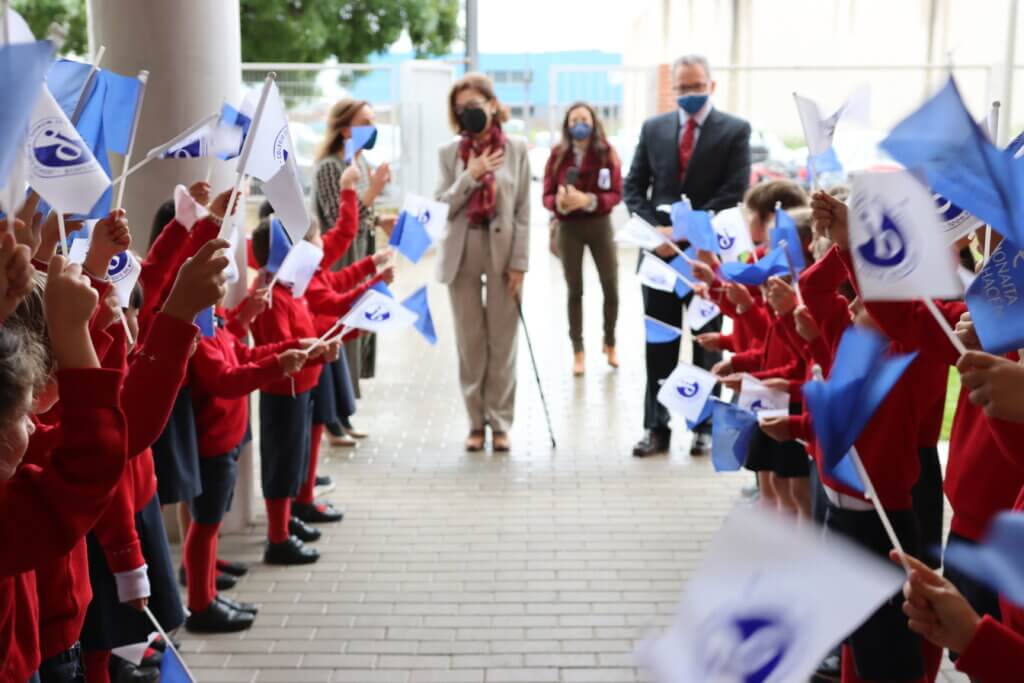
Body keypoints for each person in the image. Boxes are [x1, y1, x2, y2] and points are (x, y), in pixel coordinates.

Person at [624, 53, 751, 458]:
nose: (690, 94)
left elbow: (734, 190)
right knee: (658, 344)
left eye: (697, 86)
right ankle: (656, 428)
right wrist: (654, 232)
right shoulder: (654, 128)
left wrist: (686, 230)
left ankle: (704, 426)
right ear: (673, 89)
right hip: (660, 260)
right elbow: (634, 187)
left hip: (706, 261)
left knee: (707, 344)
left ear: (711, 85)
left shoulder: (734, 130)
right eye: (683, 88)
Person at [435, 72, 531, 453]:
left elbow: (523, 210)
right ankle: (476, 423)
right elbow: (439, 207)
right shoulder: (449, 153)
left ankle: (501, 421)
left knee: (503, 341)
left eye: (474, 105)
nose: (468, 114)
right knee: (471, 343)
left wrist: (519, 263)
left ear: (493, 105)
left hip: (504, 253)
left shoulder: (517, 148)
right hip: (462, 254)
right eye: (461, 109)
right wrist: (469, 176)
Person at [312, 98, 395, 438]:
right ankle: (331, 416)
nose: (372, 128)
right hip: (339, 261)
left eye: (374, 121)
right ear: (346, 128)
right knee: (338, 333)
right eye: (365, 121)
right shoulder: (333, 167)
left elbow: (361, 217)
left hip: (360, 255)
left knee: (355, 336)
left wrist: (381, 218)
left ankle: (344, 412)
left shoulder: (361, 163)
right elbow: (337, 219)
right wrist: (373, 193)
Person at [542, 101, 623, 376]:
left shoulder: (607, 153)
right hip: (569, 229)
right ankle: (578, 351)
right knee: (574, 290)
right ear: (567, 124)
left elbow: (616, 193)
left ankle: (610, 342)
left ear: (593, 122)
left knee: (610, 285)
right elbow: (546, 195)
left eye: (584, 118)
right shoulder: (557, 155)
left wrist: (588, 200)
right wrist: (562, 203)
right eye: (574, 119)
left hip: (599, 224)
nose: (580, 124)